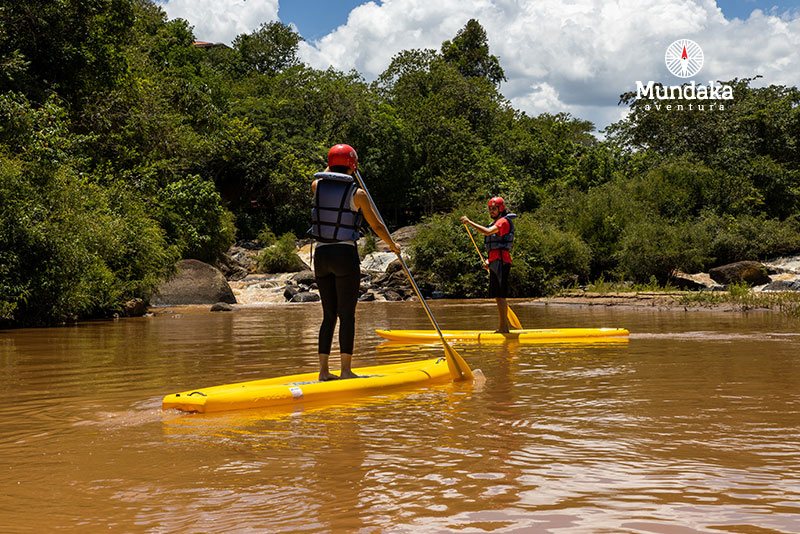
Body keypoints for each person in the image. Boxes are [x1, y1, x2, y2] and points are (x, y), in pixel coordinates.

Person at [308, 144, 401, 381]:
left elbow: (325, 174)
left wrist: (339, 164)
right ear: (353, 165)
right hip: (343, 255)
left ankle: (323, 372)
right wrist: (392, 244)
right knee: (346, 314)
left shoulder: (316, 186)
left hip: (321, 256)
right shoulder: (357, 194)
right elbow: (376, 225)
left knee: (329, 315)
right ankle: (346, 370)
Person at [460, 197, 515, 333]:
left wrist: (469, 222)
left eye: (494, 209)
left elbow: (488, 232)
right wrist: (490, 261)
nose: (491, 211)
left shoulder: (503, 221)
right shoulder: (496, 222)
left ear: (501, 209)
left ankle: (504, 328)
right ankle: (503, 327)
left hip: (502, 261)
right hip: (496, 261)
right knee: (498, 296)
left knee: (500, 296)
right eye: (490, 209)